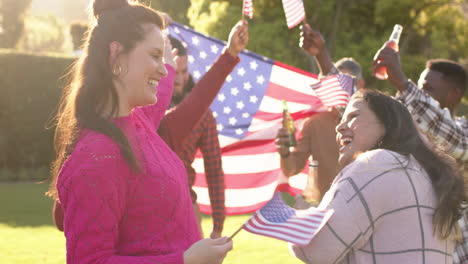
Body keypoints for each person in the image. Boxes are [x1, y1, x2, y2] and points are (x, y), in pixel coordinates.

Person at [47, 0, 247, 263]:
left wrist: (229, 55)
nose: (164, 69)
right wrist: (185, 260)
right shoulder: (95, 156)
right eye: (154, 56)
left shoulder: (140, 121)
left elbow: (189, 96)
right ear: (115, 55)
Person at [290, 90, 466, 263]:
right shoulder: (426, 174)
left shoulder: (375, 163)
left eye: (353, 116)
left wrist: (300, 213)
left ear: (386, 124)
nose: (339, 127)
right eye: (341, 119)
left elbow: (316, 251)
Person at [374, 47, 468, 264]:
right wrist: (321, 57)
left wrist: (404, 85)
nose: (420, 95)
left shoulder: (463, 131)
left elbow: (455, 140)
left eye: (427, 89)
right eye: (418, 88)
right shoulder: (407, 136)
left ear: (454, 94)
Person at [276, 24, 364, 204]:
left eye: (347, 85)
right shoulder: (314, 123)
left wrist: (321, 54)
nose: (341, 92)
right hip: (326, 209)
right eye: (338, 85)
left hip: (364, 207)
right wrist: (285, 152)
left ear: (360, 85)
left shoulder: (369, 119)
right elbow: (292, 169)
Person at [169, 36, 226, 239]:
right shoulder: (140, 105)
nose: (179, 79)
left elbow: (214, 169)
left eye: (184, 72)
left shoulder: (202, 114)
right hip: (143, 205)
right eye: (174, 72)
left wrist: (218, 226)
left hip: (186, 205)